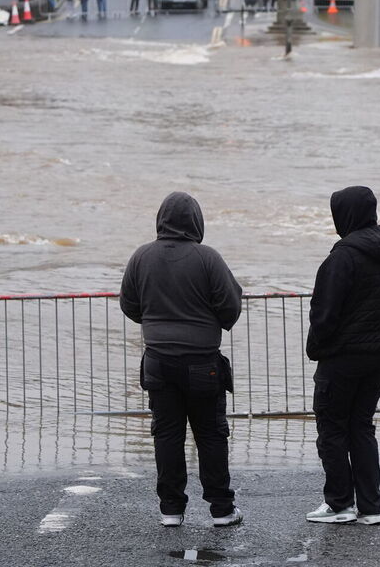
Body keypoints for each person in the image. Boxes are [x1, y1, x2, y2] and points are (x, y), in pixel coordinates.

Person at [120, 192, 244, 529]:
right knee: (211, 435)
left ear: (160, 219)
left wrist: (156, 322)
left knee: (167, 435)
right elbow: (231, 306)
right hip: (203, 363)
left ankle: (170, 509)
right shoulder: (208, 258)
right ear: (196, 222)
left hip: (158, 361)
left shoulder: (141, 257)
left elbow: (129, 305)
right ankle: (221, 509)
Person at [305, 186, 380, 527]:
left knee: (332, 429)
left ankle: (339, 504)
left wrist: (316, 348)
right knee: (362, 428)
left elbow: (323, 314)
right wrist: (378, 336)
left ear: (344, 215)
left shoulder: (342, 257)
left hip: (341, 359)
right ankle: (370, 506)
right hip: (378, 356)